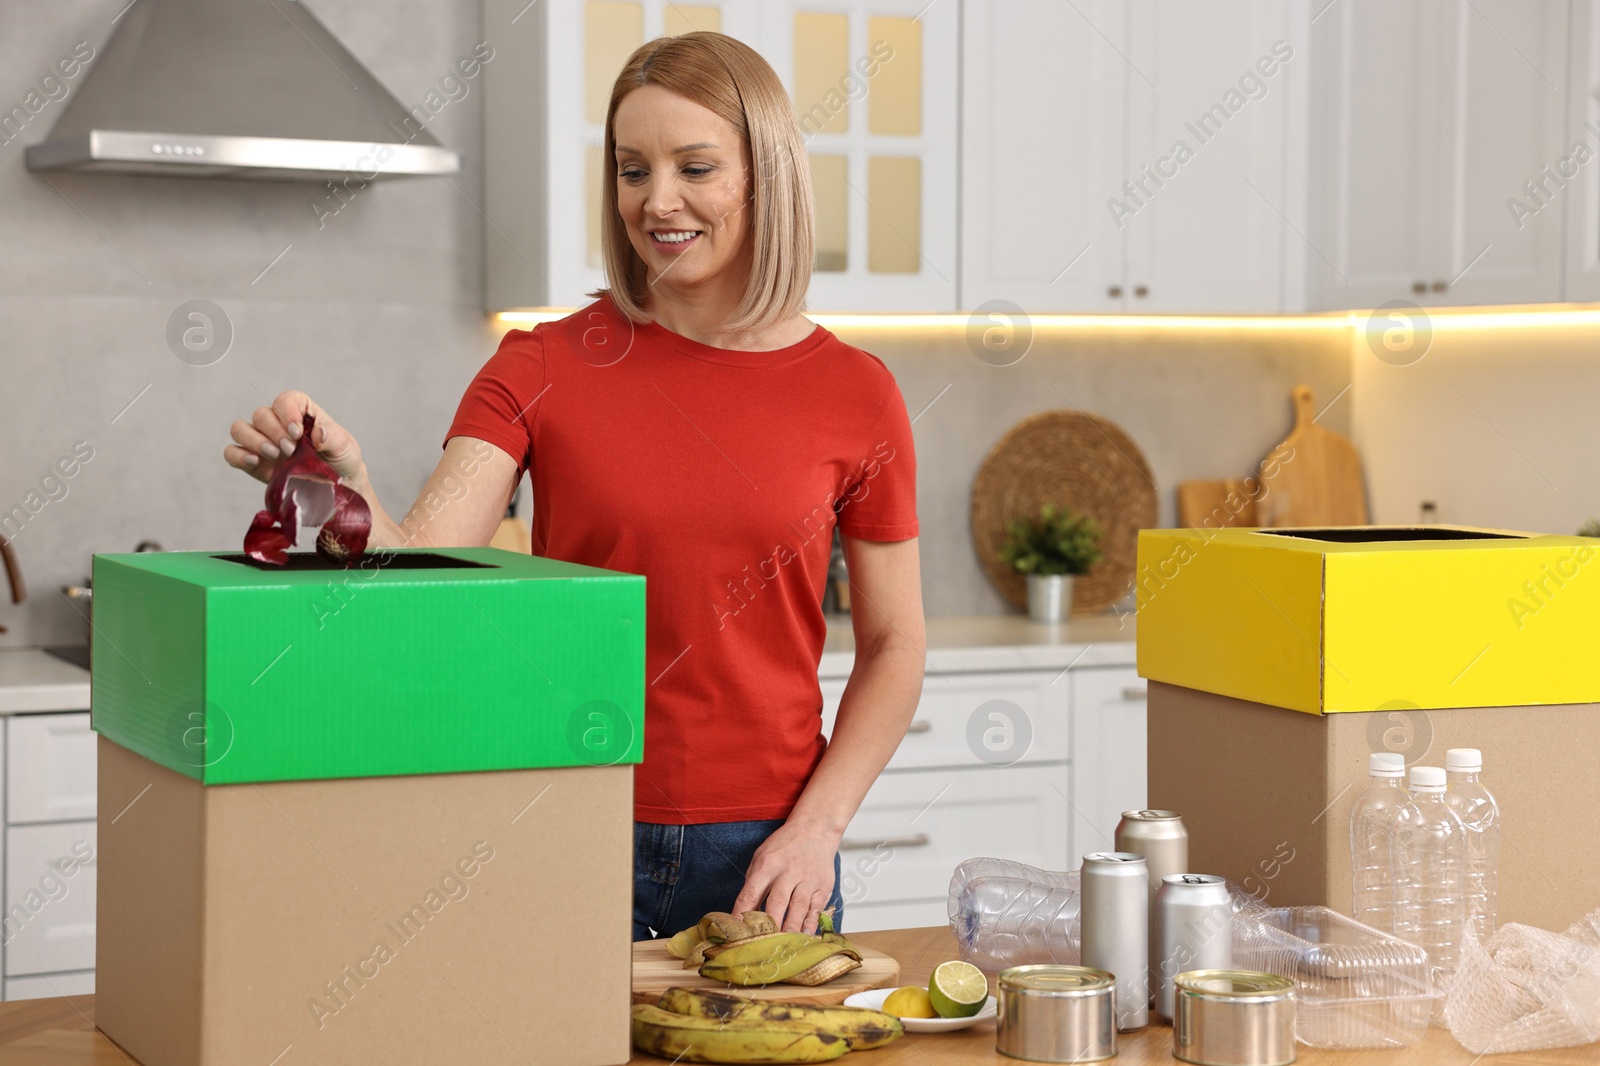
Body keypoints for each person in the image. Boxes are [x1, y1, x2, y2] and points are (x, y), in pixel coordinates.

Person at [224, 32, 925, 940]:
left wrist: (817, 831)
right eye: (632, 170)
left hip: (766, 853)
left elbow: (897, 643)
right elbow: (420, 569)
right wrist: (342, 492)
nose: (657, 201)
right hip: (567, 816)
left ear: (768, 175)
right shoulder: (542, 363)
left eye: (695, 166)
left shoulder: (856, 393)